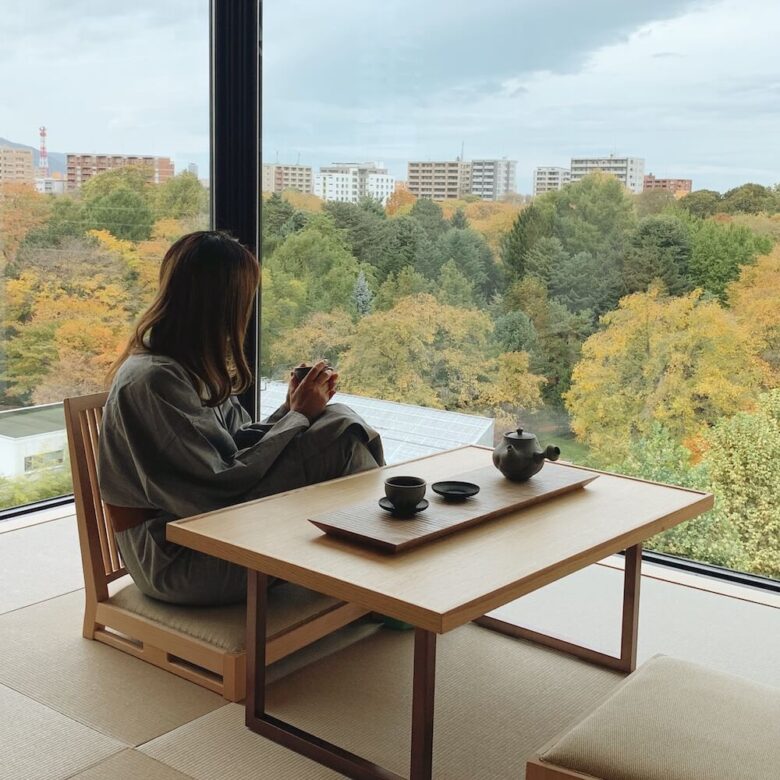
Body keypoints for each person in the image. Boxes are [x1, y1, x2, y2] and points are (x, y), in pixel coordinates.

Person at [97, 231, 384, 606]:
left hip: (208, 531)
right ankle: (372, 575)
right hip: (177, 557)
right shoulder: (154, 379)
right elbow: (217, 488)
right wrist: (298, 416)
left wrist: (292, 410)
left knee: (334, 423)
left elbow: (236, 446)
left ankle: (366, 571)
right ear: (221, 304)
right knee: (341, 434)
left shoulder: (187, 367)